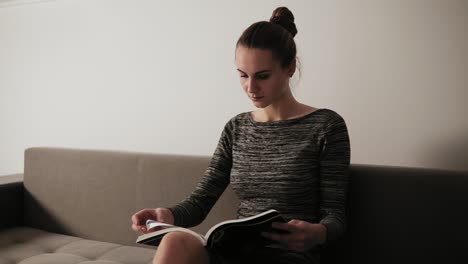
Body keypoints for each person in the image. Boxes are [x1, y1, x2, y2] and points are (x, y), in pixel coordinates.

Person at [131, 6, 350, 264]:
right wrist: (166, 215)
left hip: (289, 256)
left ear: (290, 68)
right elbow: (201, 201)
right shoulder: (236, 128)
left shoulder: (326, 126)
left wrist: (318, 233)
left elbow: (334, 213)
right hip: (236, 252)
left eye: (262, 76)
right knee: (175, 241)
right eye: (243, 75)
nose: (250, 87)